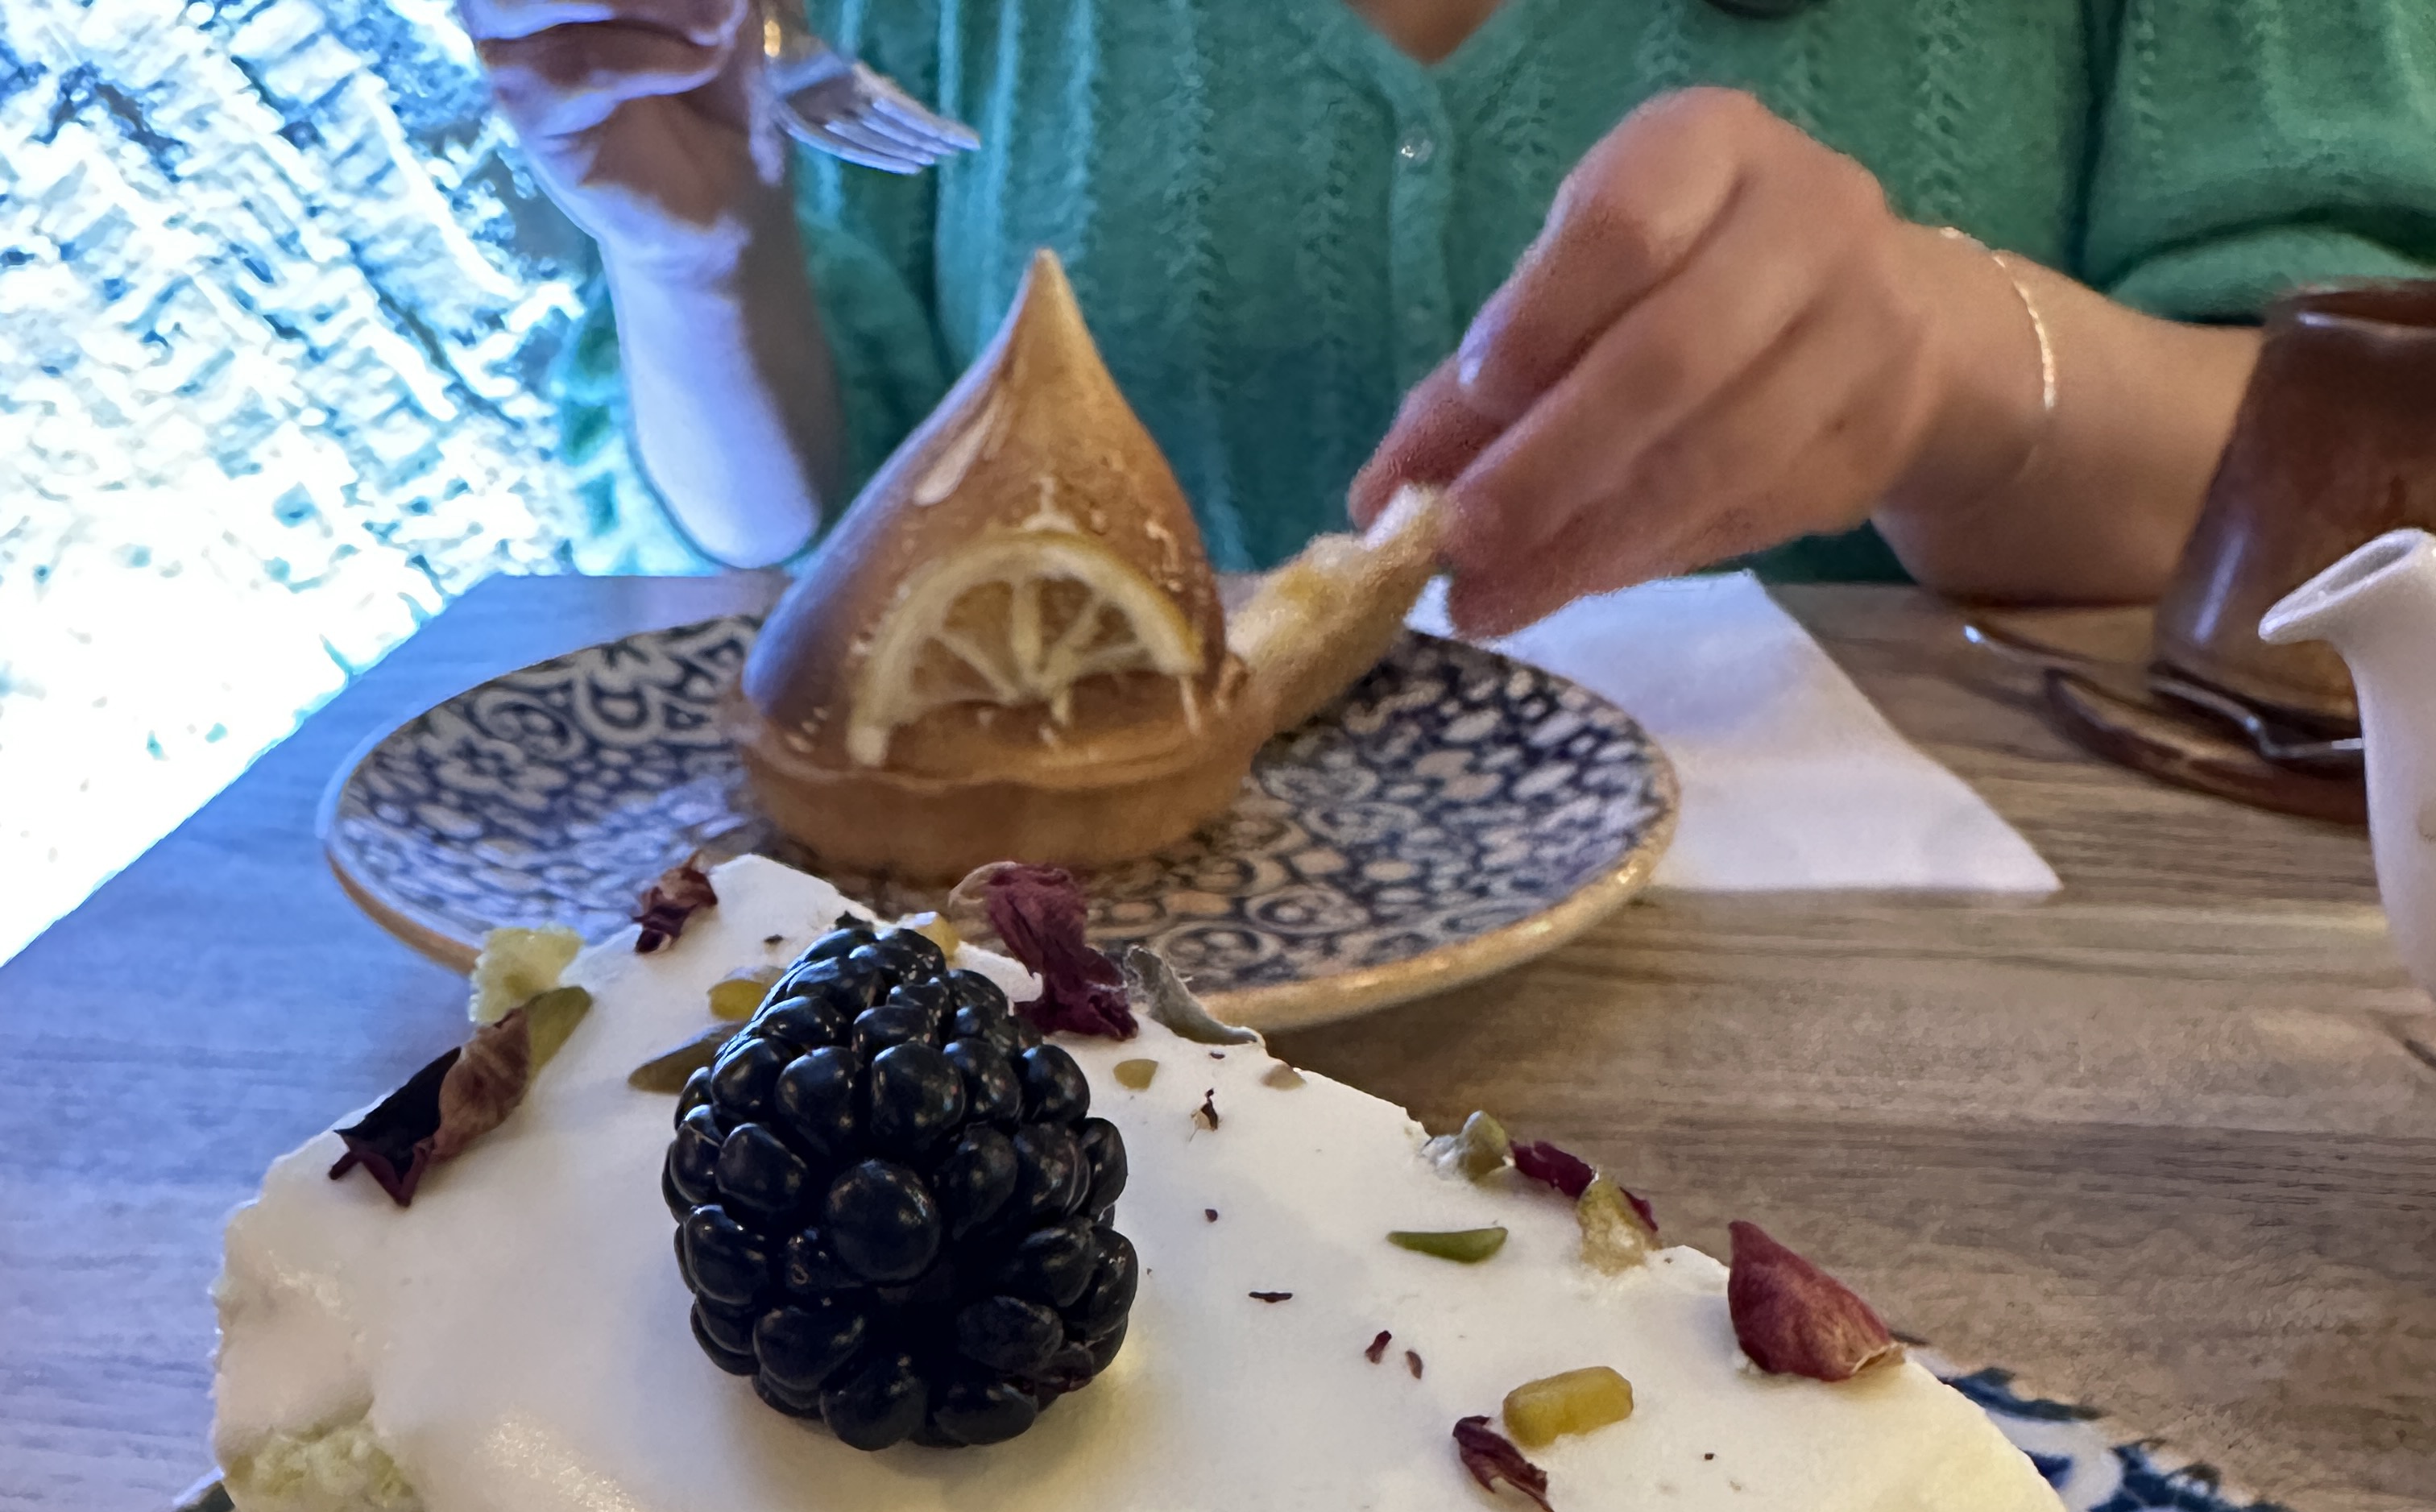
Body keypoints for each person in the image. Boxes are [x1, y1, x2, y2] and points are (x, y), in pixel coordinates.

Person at [464, 0, 2436, 633]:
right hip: (1126, 1119)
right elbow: (759, 583)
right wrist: (696, 254)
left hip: (1994, 1123)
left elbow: (2380, 488)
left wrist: (1951, 371)